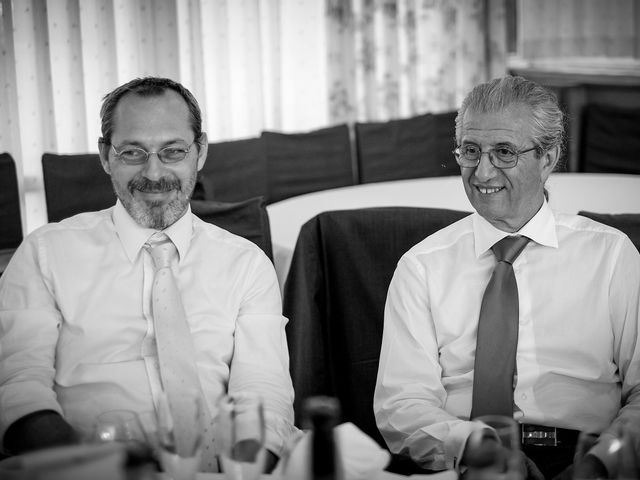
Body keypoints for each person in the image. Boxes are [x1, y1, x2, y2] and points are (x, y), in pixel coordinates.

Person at [0, 77, 296, 471]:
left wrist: (245, 470)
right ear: (106, 156)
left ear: (200, 152)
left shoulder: (248, 264)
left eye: (173, 151)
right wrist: (88, 466)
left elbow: (263, 392)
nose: (154, 174)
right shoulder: (44, 253)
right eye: (133, 153)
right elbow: (16, 384)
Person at [373, 76, 640, 479]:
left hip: (591, 453)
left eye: (503, 152)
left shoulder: (611, 255)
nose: (482, 172)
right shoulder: (421, 266)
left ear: (547, 158)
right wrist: (477, 450)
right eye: (471, 150)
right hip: (470, 459)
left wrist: (604, 462)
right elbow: (402, 404)